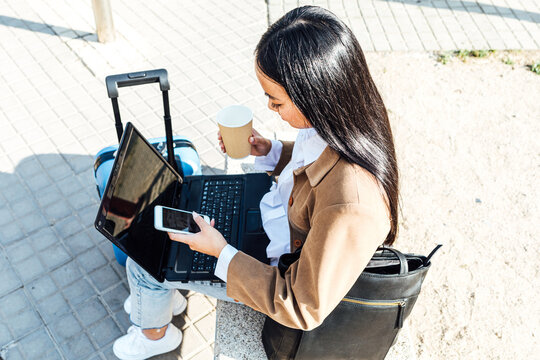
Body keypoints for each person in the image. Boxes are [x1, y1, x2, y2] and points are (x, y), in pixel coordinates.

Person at [112, 5, 399, 359]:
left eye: (276, 101)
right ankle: (161, 298)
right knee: (171, 235)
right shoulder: (344, 122)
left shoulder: (351, 205)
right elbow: (312, 161)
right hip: (269, 219)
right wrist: (273, 151)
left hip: (267, 266)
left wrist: (220, 252)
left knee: (143, 258)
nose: (268, 107)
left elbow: (301, 305)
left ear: (317, 96)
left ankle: (156, 335)